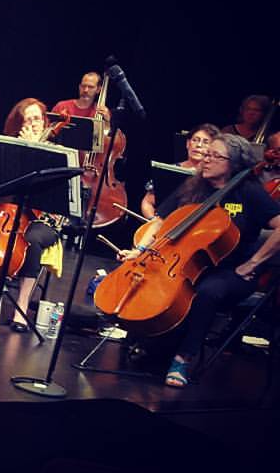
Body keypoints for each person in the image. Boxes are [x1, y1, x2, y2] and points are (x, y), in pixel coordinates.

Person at [113, 134, 280, 387]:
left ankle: (183, 358)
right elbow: (160, 221)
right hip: (189, 265)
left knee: (207, 291)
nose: (206, 160)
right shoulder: (194, 186)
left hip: (232, 271)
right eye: (207, 154)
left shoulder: (250, 192)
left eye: (215, 156)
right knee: (156, 280)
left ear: (233, 163)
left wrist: (254, 263)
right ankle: (147, 339)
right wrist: (142, 250)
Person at [0, 98, 65, 330]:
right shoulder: (10, 148)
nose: (34, 123)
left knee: (32, 240)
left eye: (37, 118)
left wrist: (34, 151)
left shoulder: (58, 151)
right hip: (11, 213)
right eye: (27, 120)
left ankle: (22, 305)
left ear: (45, 120)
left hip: (44, 219)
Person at [140, 123, 220, 219]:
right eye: (195, 140)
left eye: (205, 142)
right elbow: (147, 202)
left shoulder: (215, 177)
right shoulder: (169, 170)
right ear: (187, 144)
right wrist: (154, 221)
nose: (199, 145)